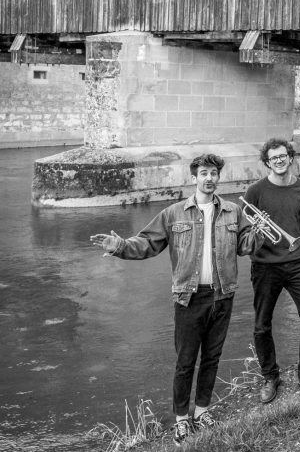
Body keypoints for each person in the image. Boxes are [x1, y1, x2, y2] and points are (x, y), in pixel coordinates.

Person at [90, 154, 265, 445]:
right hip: (189, 297)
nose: (209, 178)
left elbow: (245, 247)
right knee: (185, 362)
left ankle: (202, 411)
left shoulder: (234, 211)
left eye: (214, 173)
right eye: (204, 173)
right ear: (194, 177)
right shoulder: (173, 213)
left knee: (212, 358)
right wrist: (119, 246)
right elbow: (147, 243)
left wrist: (257, 233)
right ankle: (182, 419)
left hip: (223, 295)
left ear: (218, 178)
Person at [245, 137, 300, 405]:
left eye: (283, 156)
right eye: (273, 158)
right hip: (264, 266)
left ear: (291, 157)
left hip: (296, 262)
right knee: (262, 325)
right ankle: (270, 377)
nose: (279, 161)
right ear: (267, 162)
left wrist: (290, 245)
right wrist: (259, 233)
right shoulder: (255, 191)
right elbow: (246, 230)